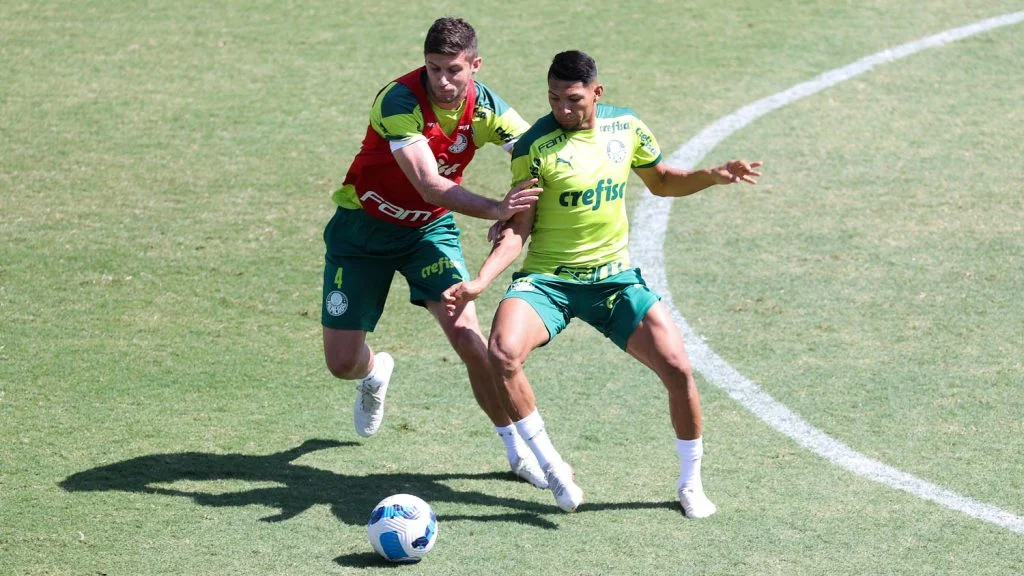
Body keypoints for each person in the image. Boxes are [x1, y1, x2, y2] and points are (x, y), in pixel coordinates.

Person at [442, 50, 762, 517]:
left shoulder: (626, 128)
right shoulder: (534, 146)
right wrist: (482, 280)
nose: (562, 110)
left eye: (573, 100)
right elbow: (518, 227)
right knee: (502, 354)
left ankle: (691, 483)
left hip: (613, 281)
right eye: (553, 99)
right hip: (549, 281)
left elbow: (663, 182)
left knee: (678, 369)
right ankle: (551, 466)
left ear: (597, 92)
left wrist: (711, 177)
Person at [321, 17, 548, 489]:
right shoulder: (400, 100)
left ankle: (515, 448)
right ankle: (375, 370)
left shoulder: (487, 109)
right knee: (342, 364)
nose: (442, 81)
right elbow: (427, 183)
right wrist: (496, 208)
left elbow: (537, 155)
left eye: (453, 70)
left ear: (475, 66)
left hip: (428, 233)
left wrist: (520, 207)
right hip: (361, 232)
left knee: (469, 339)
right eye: (433, 68)